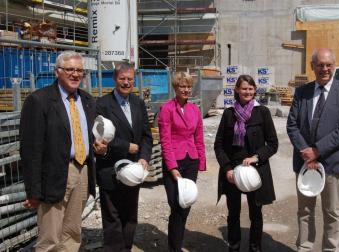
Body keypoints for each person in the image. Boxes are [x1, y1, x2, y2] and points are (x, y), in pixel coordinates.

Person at [20, 51, 97, 251]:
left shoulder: (88, 101)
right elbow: (31, 150)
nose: (75, 74)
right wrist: (33, 191)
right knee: (50, 239)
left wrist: (100, 148)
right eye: (70, 69)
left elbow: (92, 138)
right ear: (57, 72)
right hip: (53, 175)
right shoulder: (39, 100)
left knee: (72, 234)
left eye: (79, 70)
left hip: (82, 171)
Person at [287, 48, 339, 252]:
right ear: (312, 67)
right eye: (320, 64)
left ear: (334, 66)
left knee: (332, 211)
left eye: (328, 65)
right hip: (304, 162)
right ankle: (304, 248)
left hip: (331, 163)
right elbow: (292, 125)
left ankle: (330, 249)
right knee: (305, 211)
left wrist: (317, 151)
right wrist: (306, 152)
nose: (324, 69)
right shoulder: (302, 92)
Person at [214, 74, 278, 252]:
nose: (247, 92)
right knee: (233, 213)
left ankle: (254, 247)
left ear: (255, 90)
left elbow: (273, 144)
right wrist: (227, 169)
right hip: (233, 172)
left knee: (255, 214)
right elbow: (218, 145)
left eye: (250, 88)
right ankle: (234, 246)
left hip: (256, 171)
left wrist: (256, 157)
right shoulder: (228, 114)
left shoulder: (262, 112)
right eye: (243, 88)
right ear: (237, 90)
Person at [94, 62, 153, 252]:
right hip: (109, 169)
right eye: (122, 79)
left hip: (133, 170)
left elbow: (146, 135)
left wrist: (144, 157)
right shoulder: (102, 105)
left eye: (129, 79)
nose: (126, 83)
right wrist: (127, 146)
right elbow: (100, 137)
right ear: (114, 79)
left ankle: (126, 248)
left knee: (130, 216)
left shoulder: (138, 103)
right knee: (112, 218)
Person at [158, 72, 206, 252]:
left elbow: (199, 137)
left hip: (191, 160)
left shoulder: (195, 110)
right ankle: (174, 248)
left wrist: (201, 161)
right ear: (175, 88)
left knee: (186, 204)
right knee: (176, 205)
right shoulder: (167, 109)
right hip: (174, 162)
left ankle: (176, 244)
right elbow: (165, 140)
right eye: (182, 86)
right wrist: (172, 167)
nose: (185, 90)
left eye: (188, 86)